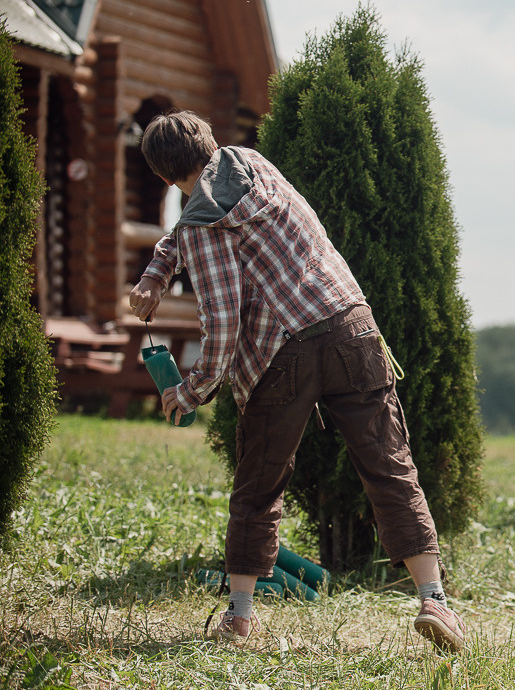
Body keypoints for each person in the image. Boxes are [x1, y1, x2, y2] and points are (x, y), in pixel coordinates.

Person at [129, 110, 464, 651]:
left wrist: (188, 391)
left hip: (283, 352)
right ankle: (436, 602)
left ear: (164, 177)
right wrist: (157, 272)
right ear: (209, 143)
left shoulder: (200, 231)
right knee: (389, 465)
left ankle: (239, 619)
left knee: (259, 483)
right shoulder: (254, 165)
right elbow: (188, 228)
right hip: (351, 323)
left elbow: (223, 323)